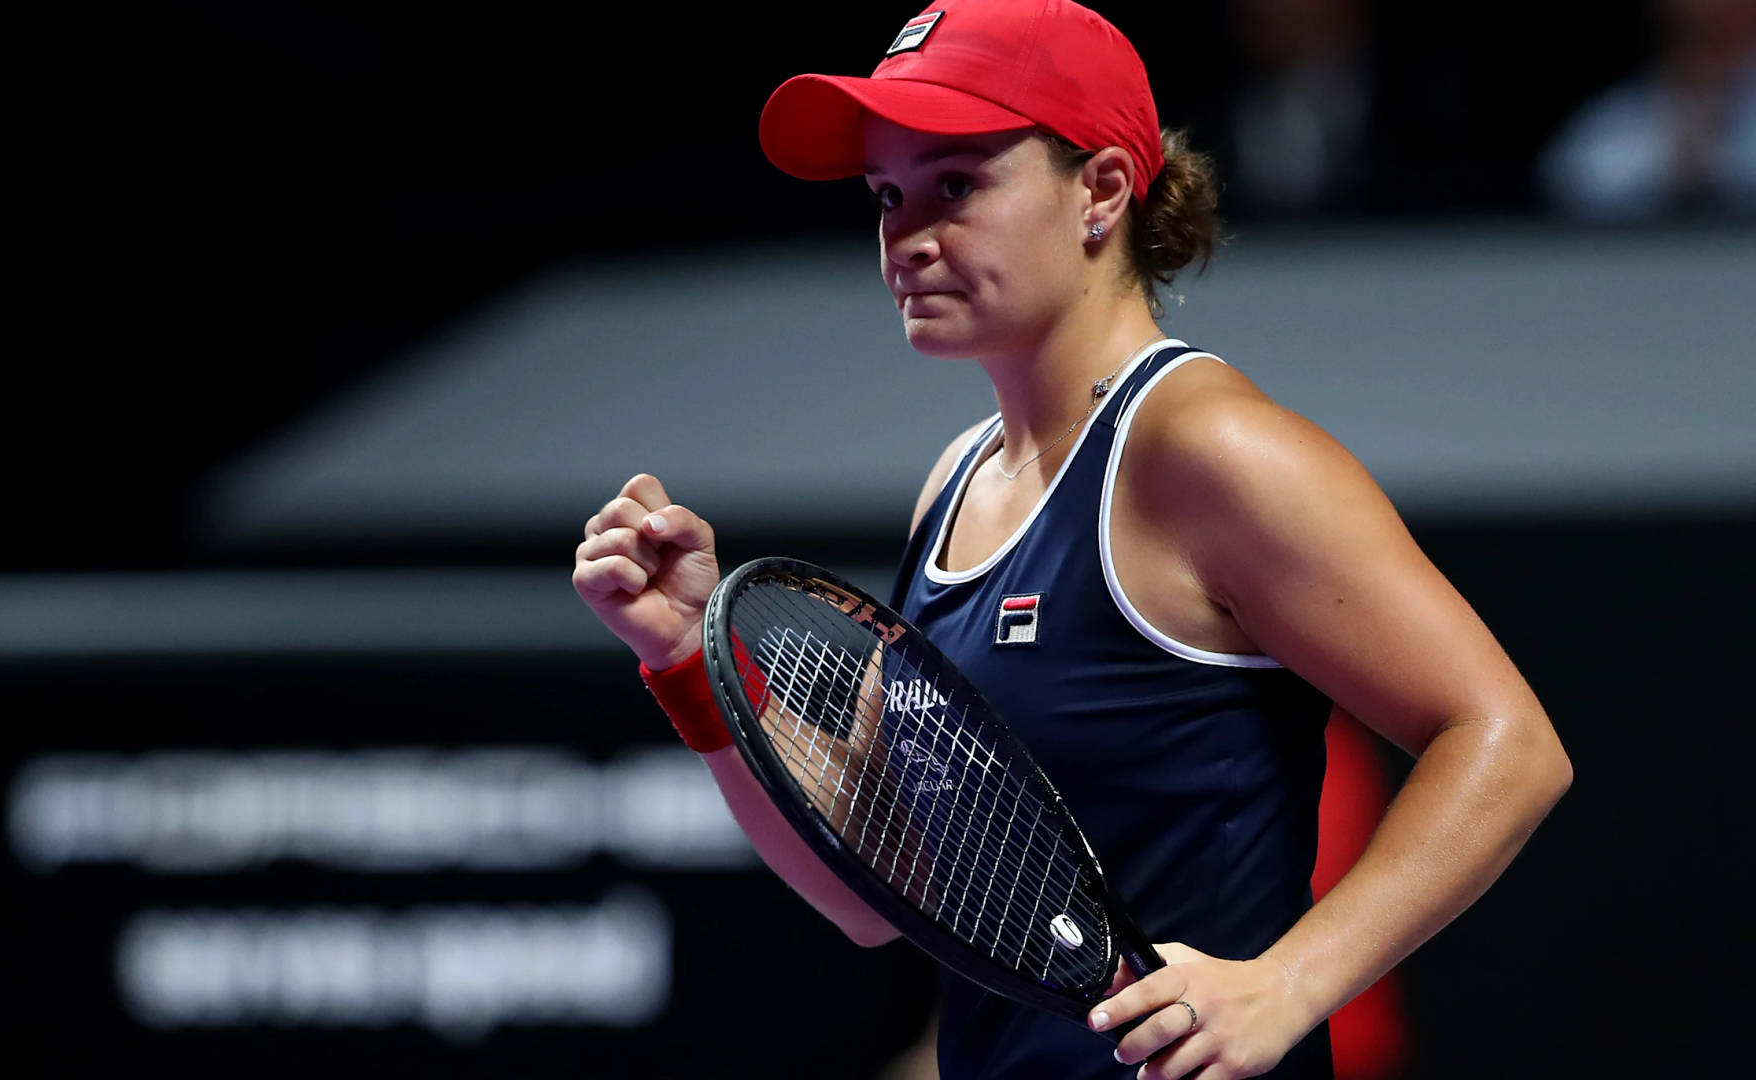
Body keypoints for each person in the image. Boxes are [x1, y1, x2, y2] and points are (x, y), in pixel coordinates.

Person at [571, 2, 1573, 1077]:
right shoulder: (953, 486)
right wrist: (685, 659)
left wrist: (1293, 979)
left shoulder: (1209, 449)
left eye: (957, 187)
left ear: (1098, 191)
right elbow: (873, 892)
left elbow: (1509, 744)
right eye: (887, 196)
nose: (907, 237)